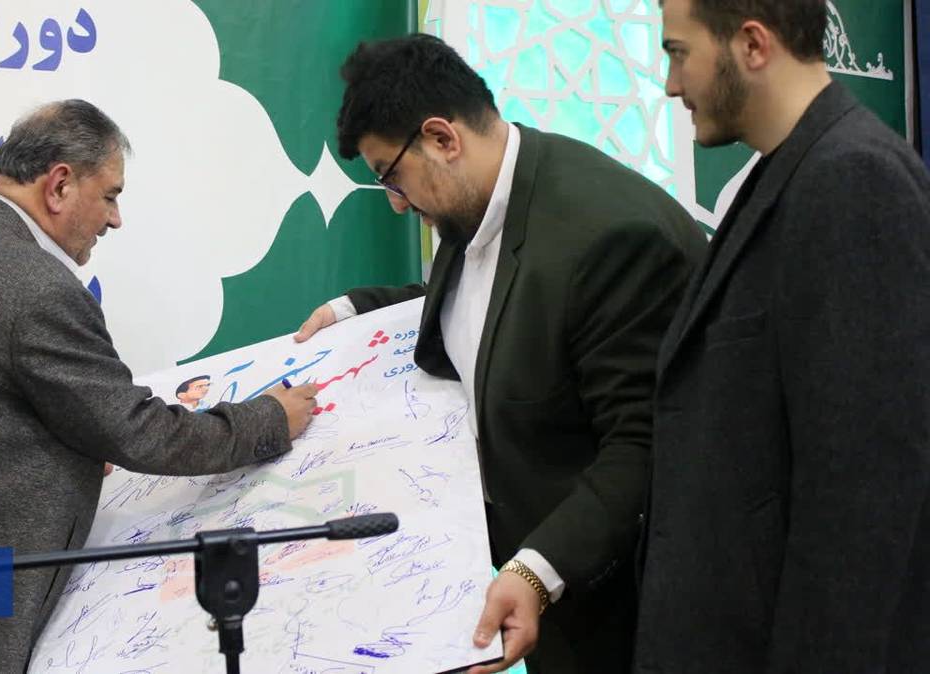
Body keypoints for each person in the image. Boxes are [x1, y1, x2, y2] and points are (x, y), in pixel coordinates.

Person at [0, 99, 319, 672]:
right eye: (110, 196)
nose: (115, 220)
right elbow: (139, 433)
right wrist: (268, 420)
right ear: (59, 186)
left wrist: (67, 455)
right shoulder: (37, 287)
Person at [295, 35, 706, 674]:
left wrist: (537, 570)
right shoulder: (480, 202)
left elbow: (646, 446)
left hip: (628, 612)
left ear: (442, 138)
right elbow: (492, 306)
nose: (397, 203)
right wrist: (357, 310)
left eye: (391, 178)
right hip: (548, 600)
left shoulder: (611, 239)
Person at [635, 1, 930, 672]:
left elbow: (862, 500)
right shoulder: (790, 169)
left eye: (679, 53)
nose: (672, 84)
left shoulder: (854, 182)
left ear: (752, 45)